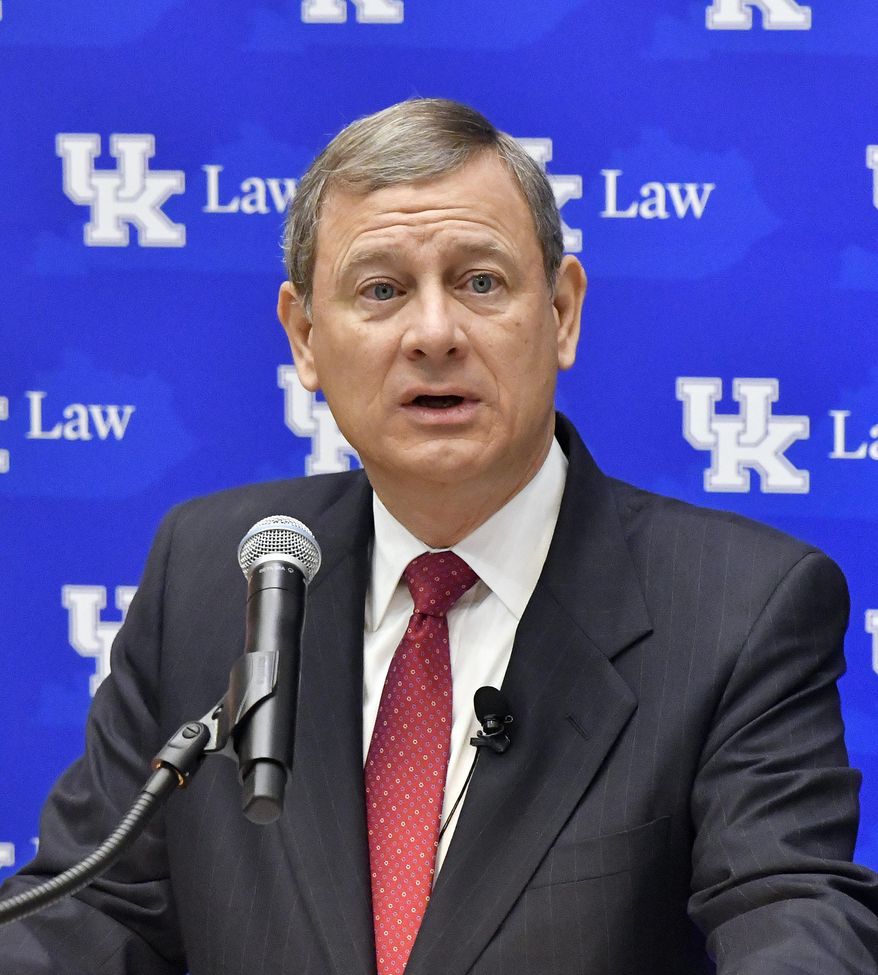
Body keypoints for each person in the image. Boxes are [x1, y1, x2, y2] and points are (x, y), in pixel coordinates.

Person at [1, 98, 877, 975]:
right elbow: (89, 912)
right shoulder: (214, 571)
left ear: (563, 312)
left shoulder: (739, 609)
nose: (433, 334)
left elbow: (790, 914)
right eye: (381, 290)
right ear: (305, 338)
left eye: (480, 282)